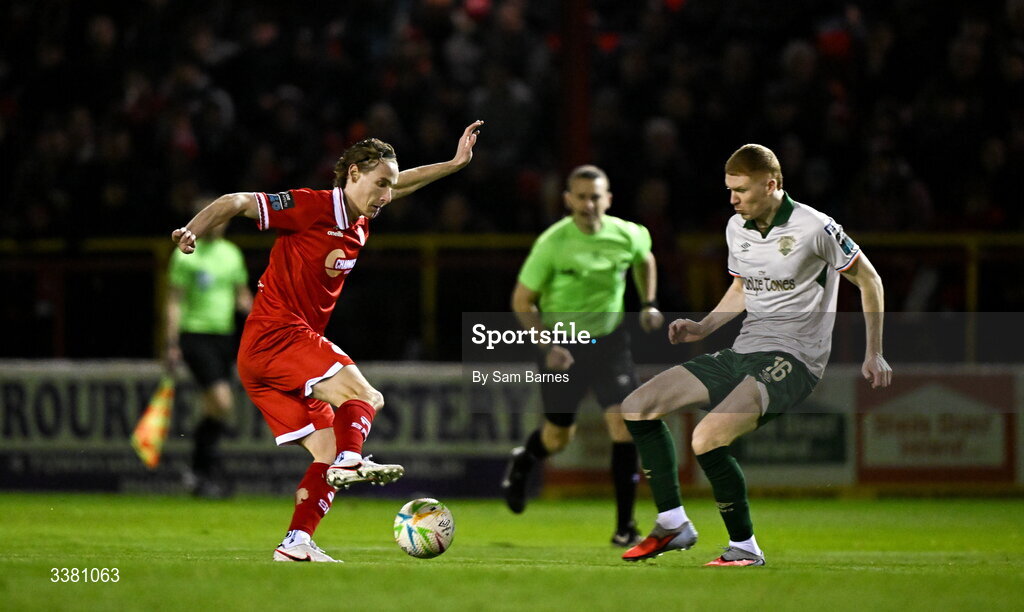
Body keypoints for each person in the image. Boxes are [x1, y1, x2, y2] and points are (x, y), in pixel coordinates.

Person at [171, 120, 484, 562]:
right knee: (365, 396)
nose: (386, 195)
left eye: (390, 187)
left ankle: (296, 543)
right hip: (277, 335)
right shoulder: (310, 206)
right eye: (380, 184)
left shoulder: (362, 216)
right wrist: (193, 230)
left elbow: (405, 182)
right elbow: (235, 201)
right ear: (353, 173)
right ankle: (352, 461)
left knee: (328, 448)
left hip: (266, 356)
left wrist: (453, 165)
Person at [620, 144, 892, 566]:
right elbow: (743, 288)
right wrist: (702, 327)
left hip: (795, 358)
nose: (732, 199)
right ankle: (673, 524)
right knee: (637, 406)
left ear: (771, 184)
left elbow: (869, 281)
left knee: (707, 436)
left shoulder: (815, 226)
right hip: (743, 350)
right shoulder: (737, 227)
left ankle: (744, 548)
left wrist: (874, 352)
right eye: (729, 190)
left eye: (741, 190)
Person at [501, 164, 665, 547]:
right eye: (581, 197)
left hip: (610, 343)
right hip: (562, 346)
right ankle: (524, 460)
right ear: (568, 200)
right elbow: (522, 300)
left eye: (596, 197)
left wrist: (649, 302)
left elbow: (646, 258)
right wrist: (546, 344)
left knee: (624, 425)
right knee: (558, 437)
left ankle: (626, 527)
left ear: (608, 199)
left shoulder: (627, 234)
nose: (589, 204)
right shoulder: (553, 243)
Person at [165, 202, 253, 498]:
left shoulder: (231, 254)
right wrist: (171, 342)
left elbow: (242, 296)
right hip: (195, 334)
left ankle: (199, 473)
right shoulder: (186, 255)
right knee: (223, 402)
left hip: (223, 336)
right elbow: (174, 300)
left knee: (214, 408)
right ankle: (204, 468)